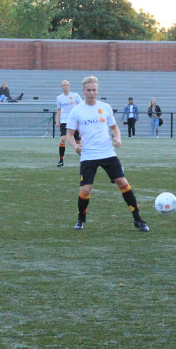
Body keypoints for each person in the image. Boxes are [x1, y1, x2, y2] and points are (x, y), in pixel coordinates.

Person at [66, 76, 149, 232]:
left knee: (122, 182)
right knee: (86, 189)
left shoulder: (105, 107)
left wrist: (118, 138)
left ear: (97, 90)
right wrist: (75, 145)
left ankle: (138, 219)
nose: (92, 93)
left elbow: (114, 128)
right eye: (89, 90)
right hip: (88, 155)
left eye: (94, 90)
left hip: (107, 153)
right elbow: (69, 134)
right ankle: (81, 219)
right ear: (83, 91)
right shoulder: (76, 111)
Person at [55, 80, 83, 167]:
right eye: (63, 85)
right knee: (63, 139)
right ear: (61, 87)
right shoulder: (59, 98)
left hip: (74, 121)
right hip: (64, 121)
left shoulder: (75, 95)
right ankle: (61, 160)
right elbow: (59, 110)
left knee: (78, 141)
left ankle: (84, 157)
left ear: (69, 86)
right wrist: (57, 121)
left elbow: (82, 105)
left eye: (66, 85)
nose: (65, 87)